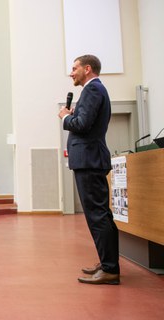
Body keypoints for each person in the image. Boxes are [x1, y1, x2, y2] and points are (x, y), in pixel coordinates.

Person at [58, 54, 119, 285]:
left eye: (74, 68)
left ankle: (111, 269)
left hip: (89, 161)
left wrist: (65, 118)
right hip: (90, 160)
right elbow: (86, 122)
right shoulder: (94, 90)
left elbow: (82, 126)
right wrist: (74, 116)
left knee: (98, 216)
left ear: (87, 68)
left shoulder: (93, 90)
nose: (71, 73)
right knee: (100, 215)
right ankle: (107, 263)